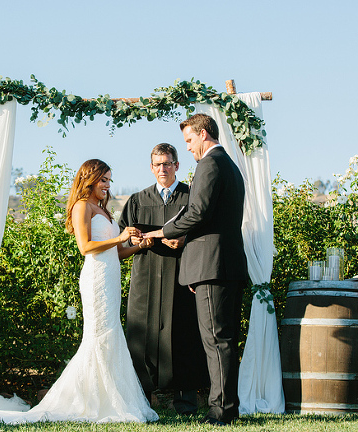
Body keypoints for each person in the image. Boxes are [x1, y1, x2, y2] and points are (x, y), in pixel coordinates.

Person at [0, 159, 157, 424]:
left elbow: (116, 253)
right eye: (103, 180)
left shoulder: (102, 210)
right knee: (97, 336)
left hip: (111, 278)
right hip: (95, 280)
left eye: (109, 181)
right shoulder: (82, 206)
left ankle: (110, 399)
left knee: (111, 334)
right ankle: (88, 401)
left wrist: (140, 245)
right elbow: (86, 247)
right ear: (90, 179)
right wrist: (120, 236)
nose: (107, 185)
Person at [144, 113, 248, 426]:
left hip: (212, 266)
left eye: (189, 140)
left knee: (216, 341)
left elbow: (197, 213)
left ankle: (220, 411)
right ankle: (228, 407)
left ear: (203, 134)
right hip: (225, 265)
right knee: (225, 340)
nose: (188, 148)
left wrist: (159, 232)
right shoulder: (229, 165)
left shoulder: (210, 164)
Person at [118, 143, 207, 414]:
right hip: (145, 276)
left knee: (185, 334)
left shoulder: (191, 197)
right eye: (157, 164)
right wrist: (136, 238)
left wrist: (185, 240)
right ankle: (142, 400)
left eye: (167, 163)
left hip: (182, 277)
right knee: (140, 337)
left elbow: (205, 234)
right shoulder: (137, 200)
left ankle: (186, 402)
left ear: (177, 166)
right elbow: (123, 240)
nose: (162, 169)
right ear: (151, 167)